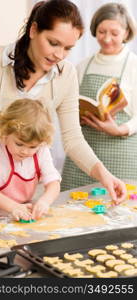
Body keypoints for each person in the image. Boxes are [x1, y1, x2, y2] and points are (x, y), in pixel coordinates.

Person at [0, 0, 126, 209]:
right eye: (53, 43)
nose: (59, 55)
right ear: (34, 30)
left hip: (26, 197)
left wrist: (104, 175)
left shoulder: (66, 74)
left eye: (68, 48)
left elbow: (73, 139)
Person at [61, 3, 137, 192]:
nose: (107, 39)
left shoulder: (133, 66)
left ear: (126, 33)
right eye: (102, 31)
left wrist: (119, 130)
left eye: (114, 33)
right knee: (74, 208)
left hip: (121, 154)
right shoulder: (82, 65)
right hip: (83, 156)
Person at [0, 99, 61, 220]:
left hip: (24, 215)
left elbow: (54, 183)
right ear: (5, 133)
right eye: (19, 144)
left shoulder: (41, 150)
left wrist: (44, 202)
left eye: (32, 147)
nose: (25, 151)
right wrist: (13, 207)